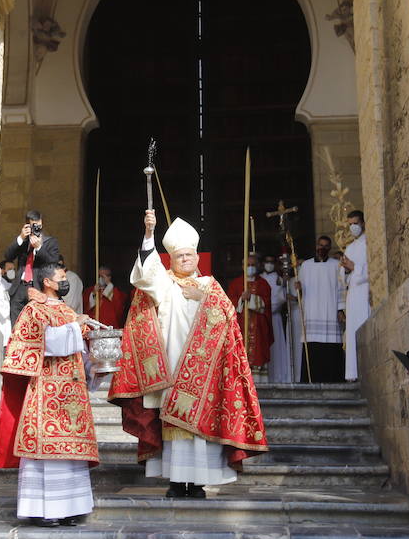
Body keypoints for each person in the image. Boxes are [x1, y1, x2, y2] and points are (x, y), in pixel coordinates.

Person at [110, 211, 268, 498]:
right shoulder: (165, 284)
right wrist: (149, 234)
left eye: (189, 255)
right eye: (179, 256)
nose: (185, 260)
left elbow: (231, 321)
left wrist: (204, 299)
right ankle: (175, 481)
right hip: (172, 366)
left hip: (204, 374)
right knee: (173, 427)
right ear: (171, 258)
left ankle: (196, 483)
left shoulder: (211, 286)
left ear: (197, 256)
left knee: (199, 432)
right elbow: (146, 274)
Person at [0, 263, 99, 526]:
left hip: (73, 392)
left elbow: (79, 349)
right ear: (48, 282)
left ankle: (71, 508)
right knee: (46, 452)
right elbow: (41, 345)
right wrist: (75, 327)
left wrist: (95, 364)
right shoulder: (33, 310)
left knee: (71, 452)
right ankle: (44, 510)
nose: (66, 281)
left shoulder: (66, 310)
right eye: (61, 277)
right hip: (46, 392)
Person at [296, 235, 344, 381]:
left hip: (329, 312)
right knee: (312, 348)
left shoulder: (337, 265)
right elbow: (301, 289)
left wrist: (340, 309)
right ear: (316, 246)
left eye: (325, 246)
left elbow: (341, 288)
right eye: (320, 245)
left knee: (330, 348)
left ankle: (333, 379)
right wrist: (299, 288)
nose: (322, 248)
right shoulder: (306, 266)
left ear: (329, 248)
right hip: (312, 312)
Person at [3, 210, 63, 325]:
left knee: (35, 325)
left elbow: (53, 263)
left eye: (38, 226)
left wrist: (39, 248)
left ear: (42, 224)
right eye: (33, 225)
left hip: (37, 287)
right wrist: (21, 237)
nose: (36, 228)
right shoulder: (23, 242)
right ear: (27, 225)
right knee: (16, 326)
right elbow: (8, 256)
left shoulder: (50, 242)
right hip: (19, 288)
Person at [337, 210, 369, 381]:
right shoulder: (350, 247)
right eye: (350, 224)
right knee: (351, 333)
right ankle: (352, 373)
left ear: (363, 223)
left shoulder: (369, 244)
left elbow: (372, 270)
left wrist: (354, 267)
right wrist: (346, 269)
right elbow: (343, 277)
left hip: (364, 293)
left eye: (355, 223)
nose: (352, 227)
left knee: (362, 327)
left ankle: (364, 369)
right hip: (352, 294)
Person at [227, 251, 273, 368]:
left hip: (259, 329)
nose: (250, 268)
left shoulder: (263, 284)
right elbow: (229, 303)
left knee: (258, 355)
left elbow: (266, 304)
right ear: (243, 266)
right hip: (241, 326)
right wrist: (241, 299)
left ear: (257, 266)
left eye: (253, 265)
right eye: (248, 265)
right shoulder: (235, 283)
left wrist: (251, 298)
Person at [259, 255, 291, 382]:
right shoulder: (259, 278)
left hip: (274, 318)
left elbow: (280, 297)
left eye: (271, 262)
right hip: (262, 318)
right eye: (267, 262)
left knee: (276, 348)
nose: (269, 264)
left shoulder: (279, 279)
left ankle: (279, 377)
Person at [0, 261, 16, 344]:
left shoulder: (9, 285)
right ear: (3, 271)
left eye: (13, 269)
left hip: (6, 326)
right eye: (9, 269)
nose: (12, 271)